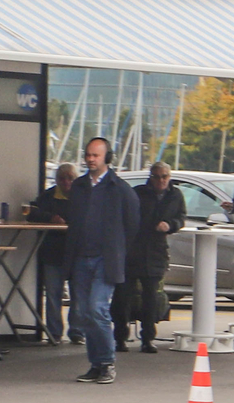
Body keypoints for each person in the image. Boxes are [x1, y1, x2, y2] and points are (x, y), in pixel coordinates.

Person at [64, 136, 140, 383]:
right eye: (88, 155)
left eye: (96, 155)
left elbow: (132, 224)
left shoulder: (120, 189)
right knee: (84, 312)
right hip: (81, 257)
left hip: (105, 258)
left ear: (107, 158)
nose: (90, 159)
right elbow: (73, 220)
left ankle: (107, 362)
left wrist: (118, 250)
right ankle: (95, 364)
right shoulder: (78, 187)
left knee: (98, 308)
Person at [115, 162, 184, 353]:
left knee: (151, 298)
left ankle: (148, 339)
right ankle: (120, 337)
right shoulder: (138, 193)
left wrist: (170, 225)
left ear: (169, 177)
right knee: (123, 297)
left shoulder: (175, 195)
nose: (161, 180)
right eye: (157, 176)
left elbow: (181, 217)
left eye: (165, 176)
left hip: (156, 251)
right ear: (150, 177)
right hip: (133, 251)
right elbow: (125, 216)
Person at [25, 163, 77, 345]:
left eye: (70, 178)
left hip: (76, 252)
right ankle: (54, 333)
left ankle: (77, 332)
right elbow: (32, 213)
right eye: (62, 178)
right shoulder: (48, 196)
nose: (66, 182)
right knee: (54, 295)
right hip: (52, 251)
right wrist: (50, 218)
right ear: (56, 180)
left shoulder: (83, 197)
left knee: (78, 294)